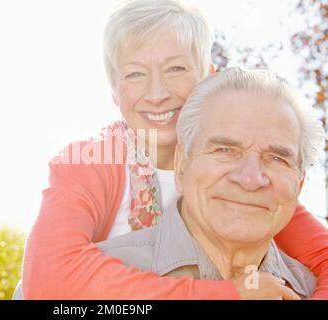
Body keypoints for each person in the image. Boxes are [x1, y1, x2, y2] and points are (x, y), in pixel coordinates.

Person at [21, 0, 328, 299]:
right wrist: (226, 295)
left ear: (208, 77)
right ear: (114, 89)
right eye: (135, 74)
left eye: (176, 69)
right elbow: (47, 276)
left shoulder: (246, 180)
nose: (157, 94)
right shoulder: (89, 162)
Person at [97, 67, 323, 300]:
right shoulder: (93, 284)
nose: (250, 179)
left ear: (300, 183)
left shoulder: (314, 290)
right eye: (225, 150)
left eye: (277, 158)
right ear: (182, 165)